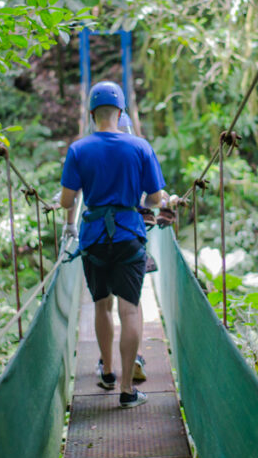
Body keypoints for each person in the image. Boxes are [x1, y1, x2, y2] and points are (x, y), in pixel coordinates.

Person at [60, 81, 176, 408]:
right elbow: (155, 199)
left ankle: (107, 372)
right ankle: (127, 390)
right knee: (130, 309)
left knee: (101, 305)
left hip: (94, 238)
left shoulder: (78, 150)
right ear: (122, 112)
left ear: (91, 113)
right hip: (128, 236)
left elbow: (68, 199)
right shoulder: (140, 147)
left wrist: (69, 224)